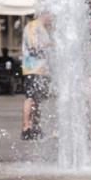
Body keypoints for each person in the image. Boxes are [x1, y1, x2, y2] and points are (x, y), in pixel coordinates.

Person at [21, 12, 52, 140]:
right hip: (32, 68)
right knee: (30, 98)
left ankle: (36, 126)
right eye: (50, 15)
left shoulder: (42, 28)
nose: (51, 18)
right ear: (44, 14)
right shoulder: (32, 27)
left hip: (41, 69)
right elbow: (33, 46)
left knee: (38, 99)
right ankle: (26, 127)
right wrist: (52, 44)